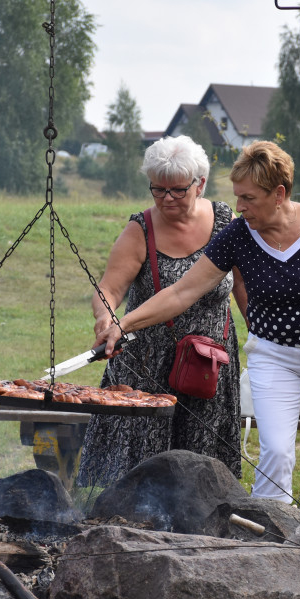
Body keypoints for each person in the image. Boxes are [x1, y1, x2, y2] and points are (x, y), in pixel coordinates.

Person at [96, 140, 300, 512]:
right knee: (276, 455)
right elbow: (182, 292)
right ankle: (274, 549)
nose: (240, 206)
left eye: (248, 198)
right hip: (273, 356)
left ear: (278, 194)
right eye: (237, 197)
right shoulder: (237, 236)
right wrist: (124, 323)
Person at [77, 135, 246, 488]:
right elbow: (109, 288)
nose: (167, 198)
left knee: (203, 467)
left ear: (200, 184)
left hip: (208, 366)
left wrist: (264, 338)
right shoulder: (140, 229)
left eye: (177, 190)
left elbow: (243, 289)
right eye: (158, 189)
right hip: (145, 365)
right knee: (142, 470)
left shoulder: (227, 221)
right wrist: (105, 317)